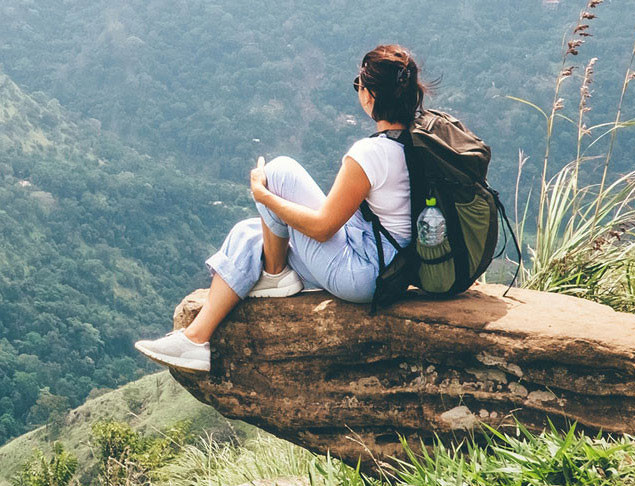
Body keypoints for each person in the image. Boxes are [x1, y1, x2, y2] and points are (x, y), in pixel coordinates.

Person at [135, 45, 427, 372]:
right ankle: (196, 338)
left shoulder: (370, 154)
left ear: (370, 95)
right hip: (391, 264)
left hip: (363, 273)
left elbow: (322, 227)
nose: (358, 92)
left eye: (359, 85)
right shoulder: (419, 143)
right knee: (249, 234)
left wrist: (264, 196)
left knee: (279, 172)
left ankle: (275, 276)